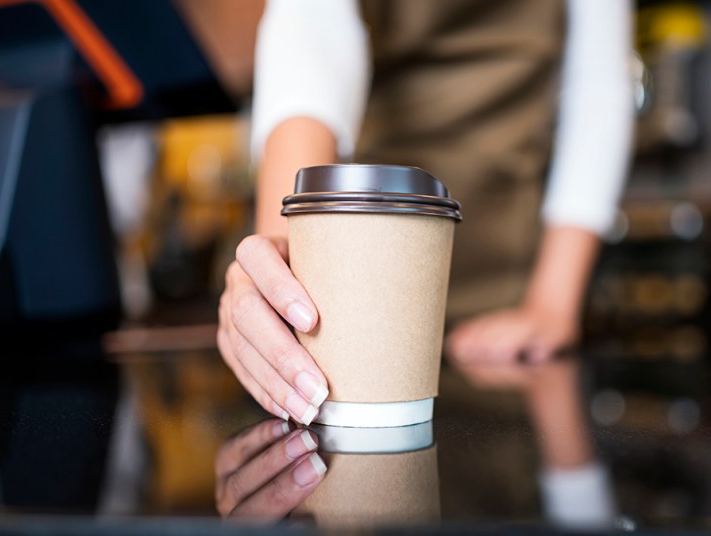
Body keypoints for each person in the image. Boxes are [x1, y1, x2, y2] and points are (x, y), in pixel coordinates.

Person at [217, 0, 634, 424]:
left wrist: (551, 305)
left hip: (503, 295)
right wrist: (282, 266)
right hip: (351, 286)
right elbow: (313, 28)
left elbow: (597, 82)